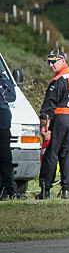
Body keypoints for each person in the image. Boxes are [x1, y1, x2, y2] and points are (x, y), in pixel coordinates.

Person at [36, 48, 69, 200]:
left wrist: (44, 127)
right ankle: (67, 190)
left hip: (60, 119)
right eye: (48, 62)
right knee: (68, 154)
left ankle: (45, 190)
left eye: (53, 61)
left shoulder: (58, 80)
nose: (50, 65)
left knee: (51, 154)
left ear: (62, 60)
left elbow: (48, 106)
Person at [0, 69, 22, 200]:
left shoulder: (3, 79)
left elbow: (12, 96)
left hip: (3, 124)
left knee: (5, 159)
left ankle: (10, 191)